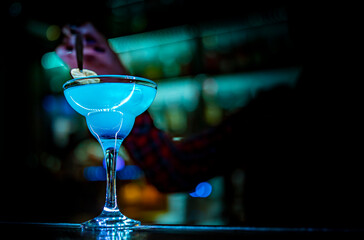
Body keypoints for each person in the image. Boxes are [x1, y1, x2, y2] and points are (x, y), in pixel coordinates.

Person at [56, 19, 363, 228]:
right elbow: (174, 168)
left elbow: (172, 169)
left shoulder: (277, 110)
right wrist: (115, 73)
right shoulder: (274, 111)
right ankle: (111, 210)